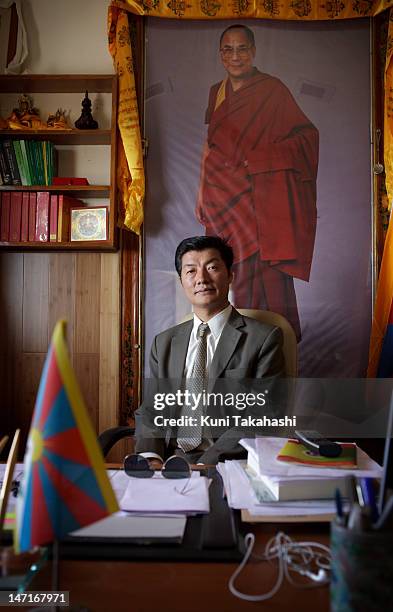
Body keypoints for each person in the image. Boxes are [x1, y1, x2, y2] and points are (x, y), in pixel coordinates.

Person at [196, 24, 319, 341]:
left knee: (266, 272)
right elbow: (209, 147)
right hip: (222, 195)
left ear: (253, 52)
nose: (235, 56)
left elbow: (307, 137)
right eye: (228, 49)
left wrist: (261, 159)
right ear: (220, 54)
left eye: (241, 49)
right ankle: (243, 347)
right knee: (230, 271)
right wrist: (200, 192)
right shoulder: (216, 92)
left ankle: (276, 348)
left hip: (263, 198)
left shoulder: (272, 90)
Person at [135, 235, 285, 466]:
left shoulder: (264, 339)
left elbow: (263, 415)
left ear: (230, 276)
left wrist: (205, 464)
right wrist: (151, 458)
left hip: (230, 461)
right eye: (191, 271)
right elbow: (153, 408)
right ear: (181, 281)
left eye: (212, 267)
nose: (201, 279)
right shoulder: (164, 343)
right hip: (172, 459)